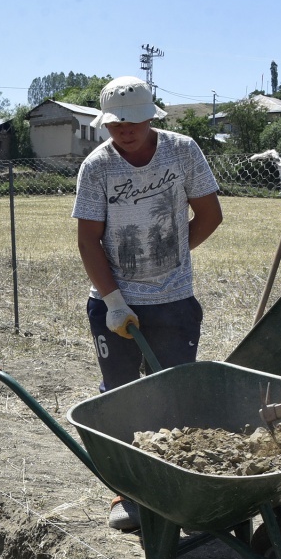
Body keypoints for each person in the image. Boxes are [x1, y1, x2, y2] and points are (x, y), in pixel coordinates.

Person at [72, 75, 223, 532]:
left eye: (134, 122)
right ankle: (129, 490)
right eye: (116, 125)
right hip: (115, 306)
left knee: (174, 395)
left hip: (174, 302)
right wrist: (115, 299)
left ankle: (175, 489)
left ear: (150, 117)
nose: (125, 132)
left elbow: (210, 214)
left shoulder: (182, 151)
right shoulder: (97, 168)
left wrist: (171, 258)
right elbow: (88, 240)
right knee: (121, 398)